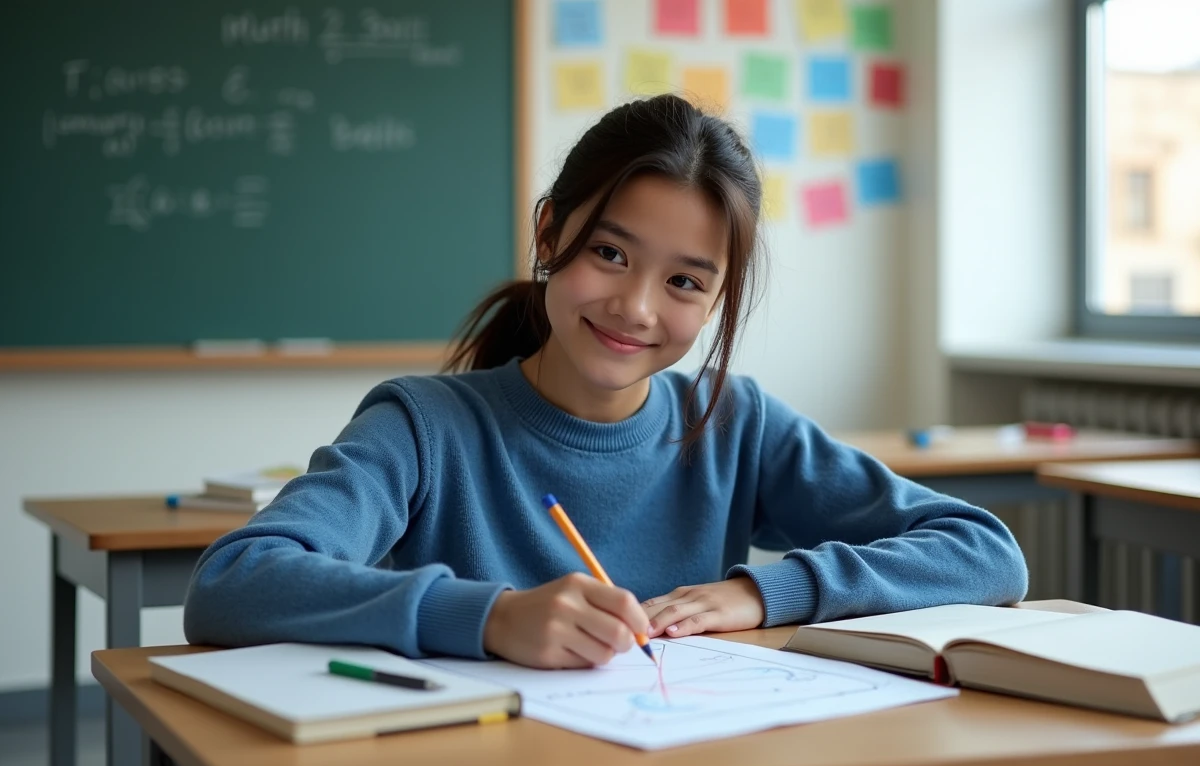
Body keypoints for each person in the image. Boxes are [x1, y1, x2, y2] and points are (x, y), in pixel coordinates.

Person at [183, 94, 1027, 669]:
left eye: (685, 282)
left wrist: (766, 592)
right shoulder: (423, 427)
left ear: (717, 301)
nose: (635, 307)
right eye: (610, 253)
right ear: (551, 233)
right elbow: (233, 582)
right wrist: (488, 617)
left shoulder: (732, 424)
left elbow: (984, 552)